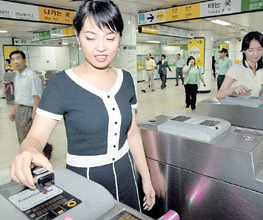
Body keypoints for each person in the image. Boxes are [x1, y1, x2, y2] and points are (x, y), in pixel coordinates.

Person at [9, 0, 155, 212]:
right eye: (90, 37)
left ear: (120, 38)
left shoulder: (126, 79)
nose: (101, 47)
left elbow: (132, 134)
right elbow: (35, 138)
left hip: (126, 174)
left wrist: (146, 179)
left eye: (110, 37)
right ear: (78, 38)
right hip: (85, 180)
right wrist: (29, 152)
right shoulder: (61, 84)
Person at [9, 50, 53, 159]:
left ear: (24, 60)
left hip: (29, 109)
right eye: (13, 59)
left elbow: (36, 96)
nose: (15, 61)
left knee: (26, 136)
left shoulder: (31, 76)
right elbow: (18, 96)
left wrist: (34, 113)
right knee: (21, 134)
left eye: (18, 58)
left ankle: (29, 158)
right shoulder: (17, 76)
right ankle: (45, 148)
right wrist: (14, 110)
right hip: (20, 108)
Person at [217, 31, 263, 99]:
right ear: (244, 50)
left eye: (259, 49)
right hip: (237, 109)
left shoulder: (260, 69)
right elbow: (219, 95)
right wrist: (233, 89)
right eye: (251, 50)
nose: (255, 54)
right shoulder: (236, 68)